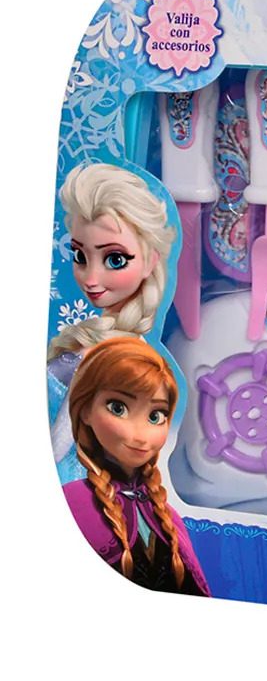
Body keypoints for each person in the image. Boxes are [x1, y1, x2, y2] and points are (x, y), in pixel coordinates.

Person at [48, 163, 176, 476]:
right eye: (80, 256)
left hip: (69, 479)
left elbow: (58, 444)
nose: (91, 279)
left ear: (151, 261)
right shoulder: (101, 343)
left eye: (115, 259)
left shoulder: (108, 357)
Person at [62, 338, 209, 596]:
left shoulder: (167, 516)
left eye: (155, 416)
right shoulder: (73, 502)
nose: (141, 435)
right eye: (118, 408)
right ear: (85, 410)